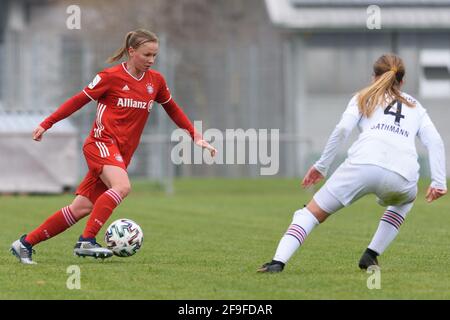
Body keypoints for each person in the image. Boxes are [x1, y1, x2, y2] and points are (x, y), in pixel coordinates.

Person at [10, 29, 217, 264]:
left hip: (120, 154)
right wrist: (46, 124)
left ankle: (24, 244)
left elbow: (173, 109)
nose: (151, 60)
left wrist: (195, 135)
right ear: (131, 51)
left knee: (80, 208)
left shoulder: (156, 82)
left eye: (154, 56)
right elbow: (77, 101)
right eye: (146, 54)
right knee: (122, 186)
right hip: (100, 143)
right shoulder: (110, 77)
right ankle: (86, 241)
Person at [258, 53, 447, 273]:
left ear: (374, 77)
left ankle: (277, 263)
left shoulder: (363, 96)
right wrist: (439, 181)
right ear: (402, 81)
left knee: (309, 214)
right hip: (402, 174)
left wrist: (321, 166)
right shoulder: (416, 107)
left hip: (362, 165)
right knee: (406, 200)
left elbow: (342, 130)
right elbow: (435, 141)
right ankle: (371, 254)